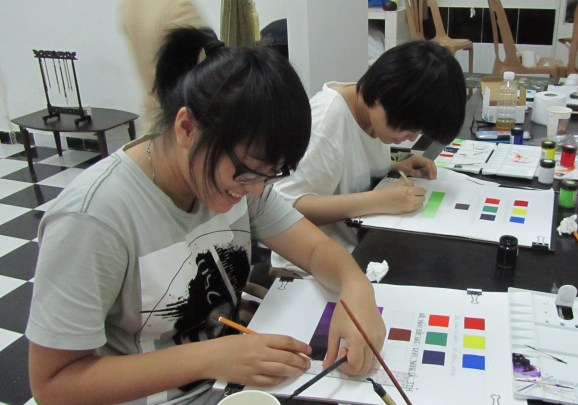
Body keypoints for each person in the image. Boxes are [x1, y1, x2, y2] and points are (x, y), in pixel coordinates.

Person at [26, 27, 385, 405]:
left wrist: (356, 288)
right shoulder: (93, 218)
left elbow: (314, 251)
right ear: (186, 128)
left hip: (226, 381)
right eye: (248, 172)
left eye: (271, 175)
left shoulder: (241, 181)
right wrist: (211, 358)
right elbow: (53, 385)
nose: (255, 190)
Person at [271, 40, 466, 272]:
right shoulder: (329, 118)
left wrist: (395, 165)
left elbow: (347, 166)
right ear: (385, 95)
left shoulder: (372, 114)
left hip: (356, 249)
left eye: (419, 130)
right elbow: (285, 207)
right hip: (307, 268)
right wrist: (379, 201)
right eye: (408, 126)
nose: (411, 136)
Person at [120, 0, 206, 135]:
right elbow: (207, 76)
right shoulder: (178, 9)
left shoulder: (131, 4)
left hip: (153, 122)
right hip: (183, 128)